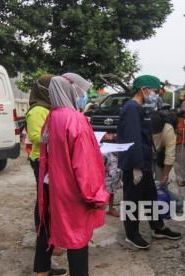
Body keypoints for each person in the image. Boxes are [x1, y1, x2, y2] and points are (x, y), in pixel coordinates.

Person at [36, 74, 109, 276]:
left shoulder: (51, 117)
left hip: (57, 187)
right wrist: (97, 196)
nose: (80, 97)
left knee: (67, 232)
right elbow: (84, 165)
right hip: (75, 189)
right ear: (69, 92)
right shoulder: (75, 119)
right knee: (77, 238)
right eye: (78, 93)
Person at [117, 75, 181, 249]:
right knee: (133, 200)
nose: (156, 95)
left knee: (150, 197)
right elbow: (133, 138)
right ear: (144, 90)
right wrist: (137, 166)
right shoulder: (132, 108)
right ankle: (132, 234)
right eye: (155, 91)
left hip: (143, 162)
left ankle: (158, 227)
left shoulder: (140, 108)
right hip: (135, 163)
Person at [26, 75, 67, 276]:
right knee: (45, 206)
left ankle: (47, 257)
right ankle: (44, 243)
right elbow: (35, 136)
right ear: (43, 90)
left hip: (52, 160)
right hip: (40, 161)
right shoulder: (37, 111)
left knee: (50, 206)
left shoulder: (50, 109)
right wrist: (60, 134)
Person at [103, 152, 122, 217]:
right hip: (107, 178)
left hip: (114, 178)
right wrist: (105, 167)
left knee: (111, 193)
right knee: (105, 194)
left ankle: (110, 209)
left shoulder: (117, 155)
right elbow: (99, 164)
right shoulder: (105, 154)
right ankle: (102, 209)